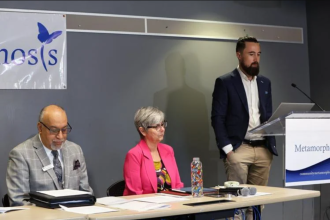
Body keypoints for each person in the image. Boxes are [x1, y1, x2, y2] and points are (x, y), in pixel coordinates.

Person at [211, 36, 278, 219]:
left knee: (257, 205)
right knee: (236, 204)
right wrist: (228, 151)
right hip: (239, 149)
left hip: (263, 149)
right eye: (251, 54)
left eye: (258, 54)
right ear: (239, 55)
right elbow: (217, 118)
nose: (255, 58)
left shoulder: (265, 82)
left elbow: (267, 115)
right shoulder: (225, 82)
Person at [6, 105, 93, 206]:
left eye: (64, 130)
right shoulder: (21, 155)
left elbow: (86, 193)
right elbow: (19, 202)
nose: (60, 136)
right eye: (54, 130)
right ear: (40, 128)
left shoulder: (75, 150)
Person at [123, 106, 183, 195]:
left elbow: (178, 185)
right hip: (145, 207)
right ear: (143, 130)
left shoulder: (168, 150)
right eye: (156, 127)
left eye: (162, 124)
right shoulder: (134, 154)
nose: (162, 129)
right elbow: (135, 193)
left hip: (172, 205)